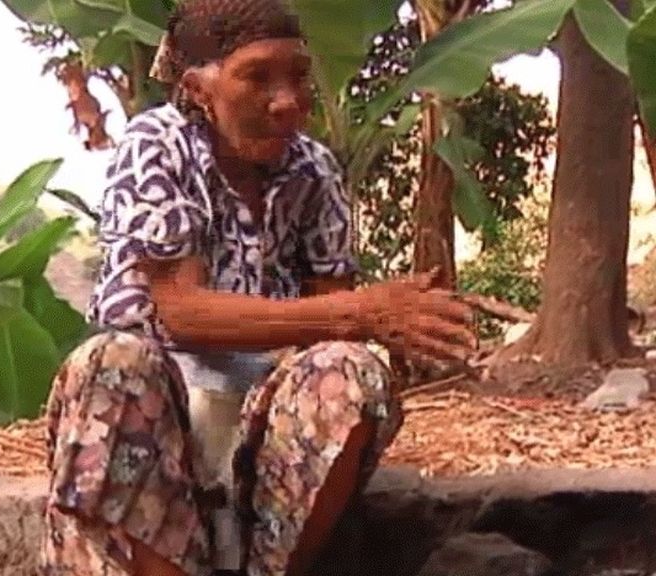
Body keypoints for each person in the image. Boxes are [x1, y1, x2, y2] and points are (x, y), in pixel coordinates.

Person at [39, 1, 477, 574]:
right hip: (158, 411)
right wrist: (362, 312)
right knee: (112, 361)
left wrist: (373, 323)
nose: (288, 100)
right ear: (199, 89)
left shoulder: (315, 172)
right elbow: (182, 313)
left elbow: (330, 326)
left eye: (298, 75)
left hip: (259, 429)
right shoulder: (157, 145)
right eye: (258, 77)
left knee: (352, 371)